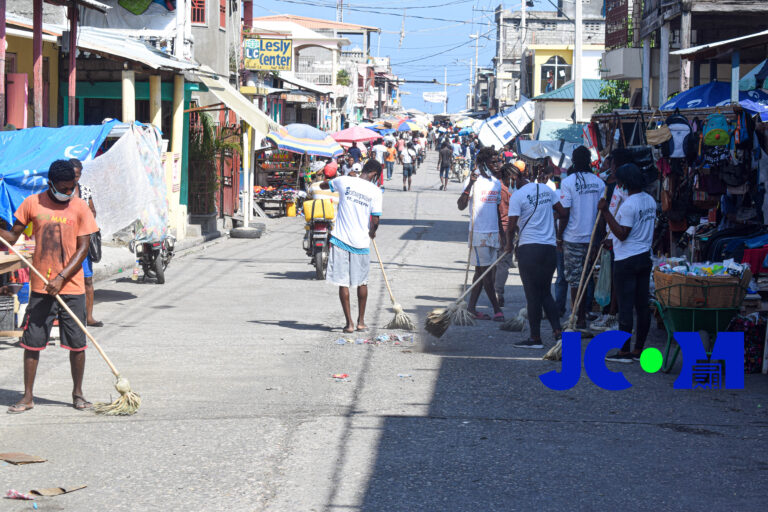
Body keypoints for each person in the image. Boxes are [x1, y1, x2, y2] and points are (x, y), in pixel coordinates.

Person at [2, 160, 99, 413]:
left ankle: (78, 394)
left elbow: (83, 249)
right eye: (64, 188)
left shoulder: (80, 207)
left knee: (77, 344)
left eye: (72, 187)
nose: (68, 192)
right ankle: (27, 397)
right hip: (41, 286)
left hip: (72, 287)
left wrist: (61, 278)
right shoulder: (32, 203)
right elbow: (13, 236)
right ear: (51, 183)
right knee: (32, 342)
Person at [599, 164, 657, 363]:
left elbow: (623, 234)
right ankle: (638, 349)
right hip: (644, 257)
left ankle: (624, 351)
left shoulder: (630, 204)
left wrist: (606, 212)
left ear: (624, 182)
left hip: (627, 260)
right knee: (642, 306)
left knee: (625, 306)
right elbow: (636, 231)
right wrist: (611, 241)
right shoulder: (650, 200)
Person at [505, 163, 566, 348]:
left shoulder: (518, 196)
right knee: (545, 292)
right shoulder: (547, 190)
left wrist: (509, 245)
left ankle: (535, 338)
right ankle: (558, 333)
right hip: (548, 248)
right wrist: (547, 219)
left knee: (532, 295)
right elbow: (563, 212)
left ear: (515, 179)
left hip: (529, 249)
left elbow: (511, 224)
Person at [320, 159, 383, 333]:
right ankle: (361, 322)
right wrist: (372, 231)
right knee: (362, 282)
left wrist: (322, 181)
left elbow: (326, 185)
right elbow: (375, 219)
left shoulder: (344, 180)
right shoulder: (375, 191)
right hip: (361, 243)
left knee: (343, 283)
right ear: (375, 175)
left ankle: (349, 324)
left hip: (340, 240)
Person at [556, 146, 605, 329]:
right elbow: (601, 214)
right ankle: (581, 315)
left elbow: (565, 213)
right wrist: (599, 239)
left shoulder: (568, 182)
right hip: (591, 239)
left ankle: (577, 316)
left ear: (574, 161)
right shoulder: (599, 183)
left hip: (573, 238)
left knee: (575, 280)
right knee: (586, 278)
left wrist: (559, 237)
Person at [457, 147, 504, 321]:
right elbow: (461, 205)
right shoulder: (473, 180)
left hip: (493, 233)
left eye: (498, 161)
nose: (498, 165)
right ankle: (497, 309)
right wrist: (469, 184)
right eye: (494, 162)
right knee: (487, 273)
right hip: (478, 233)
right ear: (484, 163)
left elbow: (497, 210)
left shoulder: (496, 182)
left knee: (480, 273)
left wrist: (502, 234)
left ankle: (470, 308)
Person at [70, 159, 101, 328]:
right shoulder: (60, 192)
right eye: (73, 175)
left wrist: (86, 215)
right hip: (66, 243)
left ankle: (89, 317)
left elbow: (93, 211)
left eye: (78, 175)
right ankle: (68, 317)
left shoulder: (85, 191)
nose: (76, 178)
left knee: (87, 281)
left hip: (83, 243)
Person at [494, 163, 520, 307]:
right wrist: (504, 237)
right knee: (502, 264)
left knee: (500, 264)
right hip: (502, 230)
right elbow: (498, 213)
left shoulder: (508, 188)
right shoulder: (500, 189)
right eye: (514, 176)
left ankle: (497, 291)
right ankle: (498, 293)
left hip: (507, 229)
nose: (516, 179)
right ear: (509, 176)